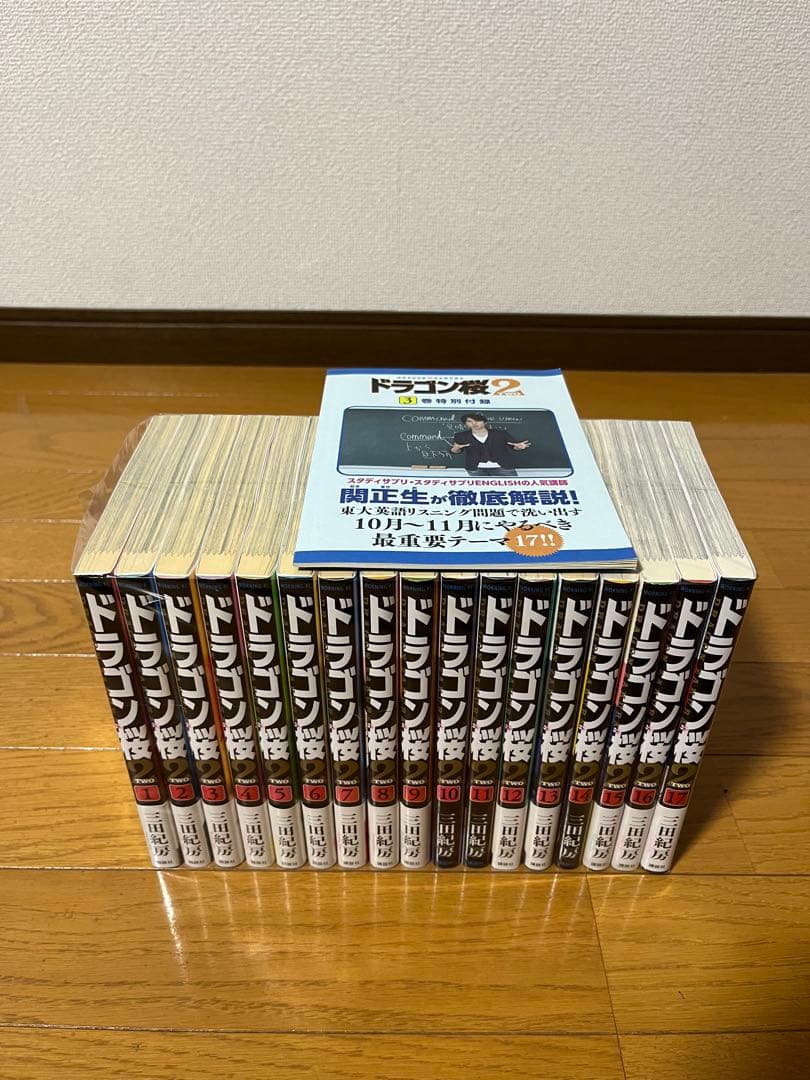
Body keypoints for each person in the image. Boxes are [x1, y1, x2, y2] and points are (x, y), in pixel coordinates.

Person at [450, 413, 531, 476]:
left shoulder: (500, 434)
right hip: (475, 469)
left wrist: (519, 447)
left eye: (478, 421)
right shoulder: (461, 436)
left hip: (503, 468)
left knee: (511, 489)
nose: (474, 423)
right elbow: (457, 450)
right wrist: (455, 449)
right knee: (479, 491)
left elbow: (514, 446)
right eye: (470, 421)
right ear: (465, 424)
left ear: (485, 422)